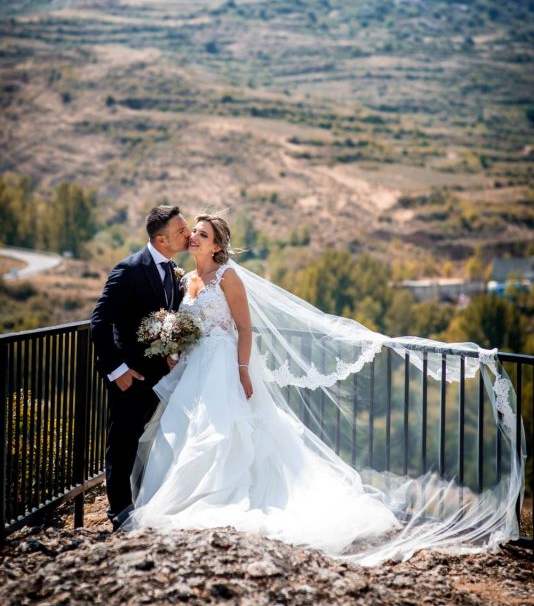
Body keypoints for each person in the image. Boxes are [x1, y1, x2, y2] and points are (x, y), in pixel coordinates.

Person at [122, 214, 523, 563]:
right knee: (185, 432)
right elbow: (190, 327)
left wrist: (243, 372)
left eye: (203, 234)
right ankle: (179, 496)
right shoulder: (188, 279)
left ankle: (222, 497)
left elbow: (245, 328)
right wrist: (174, 347)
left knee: (226, 433)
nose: (194, 237)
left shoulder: (228, 278)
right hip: (195, 369)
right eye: (193, 232)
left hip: (225, 367)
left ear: (218, 245)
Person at [91, 204, 190, 529]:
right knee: (123, 442)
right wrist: (117, 370)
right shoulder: (129, 269)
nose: (187, 234)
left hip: (161, 378)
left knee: (150, 442)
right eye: (180, 231)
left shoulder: (174, 271)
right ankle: (119, 512)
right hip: (130, 377)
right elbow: (100, 321)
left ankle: (145, 502)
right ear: (161, 240)